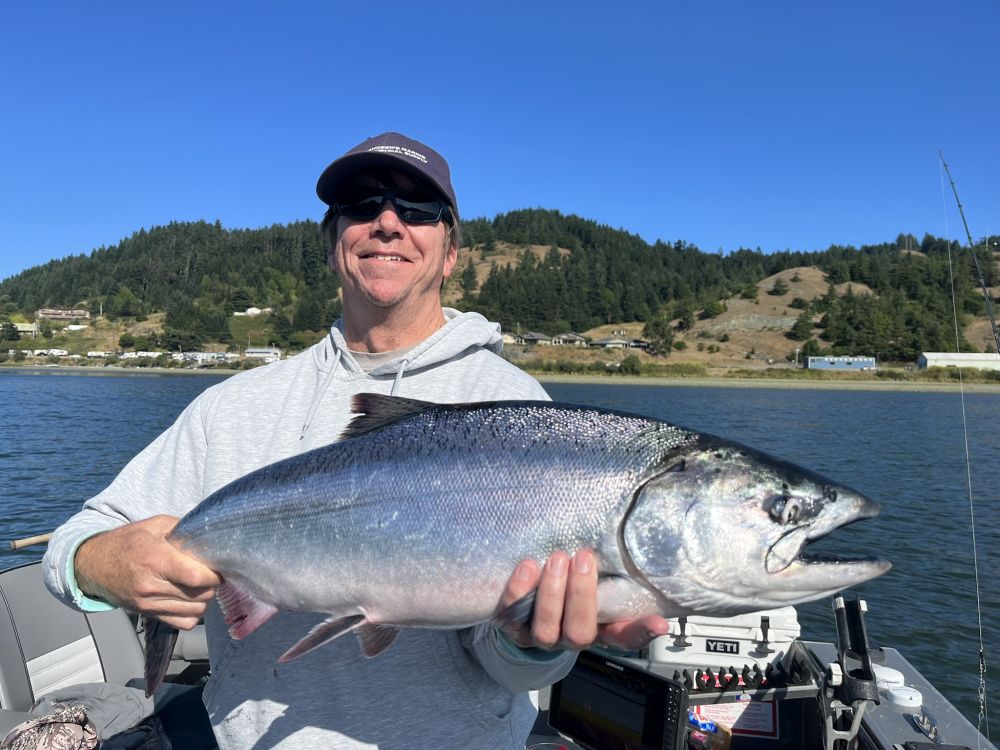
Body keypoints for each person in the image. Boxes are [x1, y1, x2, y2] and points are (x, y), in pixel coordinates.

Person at [43, 132, 670, 749]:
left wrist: (528, 644)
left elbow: (509, 668)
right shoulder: (233, 406)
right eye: (362, 206)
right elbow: (74, 543)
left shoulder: (521, 416)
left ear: (451, 252)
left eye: (419, 210)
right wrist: (103, 564)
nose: (388, 223)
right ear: (332, 241)